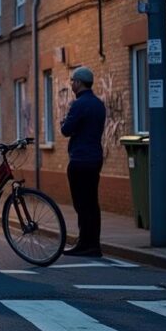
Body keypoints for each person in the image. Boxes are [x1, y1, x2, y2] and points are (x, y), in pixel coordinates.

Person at [60, 66, 107, 258]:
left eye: (72, 81)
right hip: (95, 157)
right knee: (92, 203)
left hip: (80, 159)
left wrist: (65, 122)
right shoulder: (98, 104)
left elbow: (66, 130)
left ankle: (85, 244)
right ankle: (93, 244)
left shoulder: (79, 104)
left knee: (82, 204)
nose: (71, 84)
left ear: (79, 82)